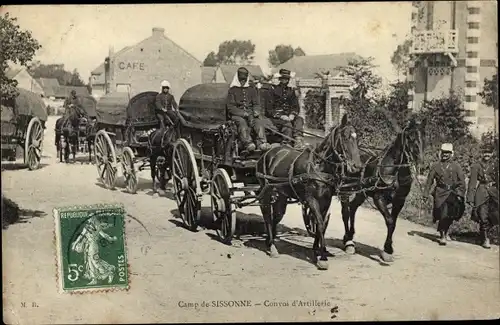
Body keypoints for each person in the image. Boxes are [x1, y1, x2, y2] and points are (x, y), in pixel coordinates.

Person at [423, 143, 466, 246]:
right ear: (440, 153)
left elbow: (462, 182)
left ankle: (446, 232)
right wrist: (425, 194)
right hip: (440, 193)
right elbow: (429, 181)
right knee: (443, 214)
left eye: (447, 153)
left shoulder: (456, 166)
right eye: (443, 153)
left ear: (451, 154)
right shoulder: (435, 166)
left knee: (451, 215)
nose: (445, 155)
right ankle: (442, 235)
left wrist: (460, 194)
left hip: (453, 193)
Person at [227, 67, 270, 152]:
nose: (242, 82)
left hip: (251, 114)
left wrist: (256, 111)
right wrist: (243, 113)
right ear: (237, 79)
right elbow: (231, 107)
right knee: (242, 122)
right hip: (237, 115)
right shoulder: (232, 90)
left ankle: (262, 143)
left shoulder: (252, 90)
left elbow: (256, 104)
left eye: (244, 80)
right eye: (241, 80)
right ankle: (248, 143)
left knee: (258, 122)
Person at [467, 143, 498, 249]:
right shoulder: (476, 166)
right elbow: (472, 182)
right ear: (482, 153)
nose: (487, 154)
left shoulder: (496, 165)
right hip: (482, 191)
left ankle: (482, 234)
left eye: (489, 153)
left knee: (495, 216)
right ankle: (485, 239)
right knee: (482, 215)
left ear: (492, 154)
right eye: (485, 152)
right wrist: (470, 197)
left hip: (494, 192)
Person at [266, 69, 305, 149]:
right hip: (276, 118)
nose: (285, 81)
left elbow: (295, 106)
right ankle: (287, 142)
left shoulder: (291, 91)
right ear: (280, 79)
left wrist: (292, 114)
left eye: (287, 79)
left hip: (288, 116)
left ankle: (298, 140)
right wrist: (281, 116)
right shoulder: (272, 90)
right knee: (287, 124)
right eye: (283, 78)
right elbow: (269, 108)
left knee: (299, 119)